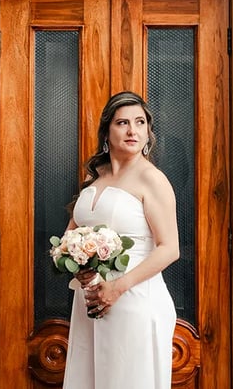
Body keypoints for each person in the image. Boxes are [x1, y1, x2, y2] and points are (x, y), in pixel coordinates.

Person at [62, 91, 179, 389]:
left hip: (133, 299)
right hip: (91, 301)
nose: (132, 131)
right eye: (123, 123)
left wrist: (116, 288)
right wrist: (79, 267)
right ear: (107, 132)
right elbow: (69, 238)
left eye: (140, 123)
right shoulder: (95, 179)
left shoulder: (152, 179)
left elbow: (169, 249)